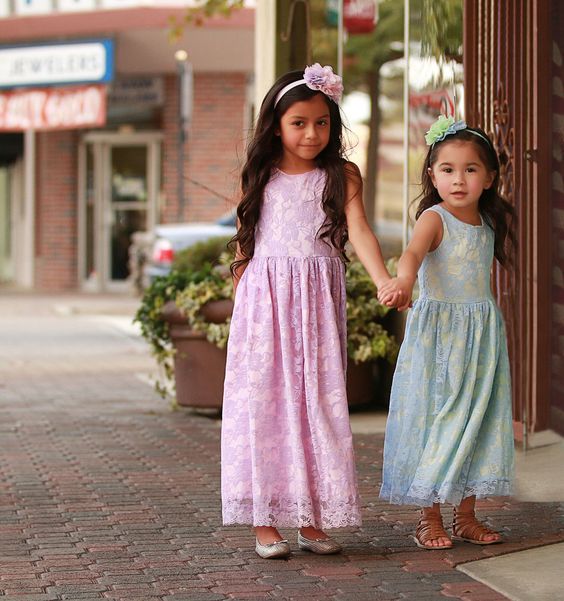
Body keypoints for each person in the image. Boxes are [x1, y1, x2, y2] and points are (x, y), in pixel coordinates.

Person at [221, 64, 400, 559]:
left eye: (321, 122)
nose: (311, 133)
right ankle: (266, 520)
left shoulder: (341, 174)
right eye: (299, 122)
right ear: (276, 124)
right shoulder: (261, 173)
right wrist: (242, 303)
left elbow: (360, 230)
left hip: (317, 303)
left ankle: (313, 518)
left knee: (317, 404)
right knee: (267, 406)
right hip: (265, 303)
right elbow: (245, 238)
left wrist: (383, 278)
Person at [378, 115, 517, 550]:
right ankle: (429, 517)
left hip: (481, 336)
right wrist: (402, 282)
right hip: (439, 337)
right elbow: (412, 255)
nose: (459, 180)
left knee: (478, 418)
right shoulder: (433, 219)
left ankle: (467, 515)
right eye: (448, 170)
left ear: (490, 177)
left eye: (471, 170)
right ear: (432, 175)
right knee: (437, 420)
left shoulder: (488, 224)